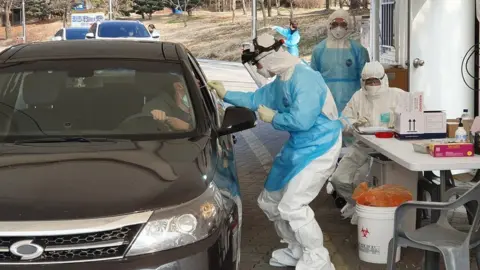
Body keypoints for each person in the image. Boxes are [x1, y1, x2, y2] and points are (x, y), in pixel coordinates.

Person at [208, 33, 342, 270]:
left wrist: (275, 118)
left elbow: (303, 121)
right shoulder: (282, 79)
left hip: (321, 145)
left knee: (293, 205)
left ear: (269, 57)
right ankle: (296, 248)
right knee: (270, 201)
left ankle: (318, 258)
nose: (258, 69)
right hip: (299, 145)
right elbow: (256, 98)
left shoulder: (305, 78)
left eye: (257, 63)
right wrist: (225, 94)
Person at [330, 61, 408, 223]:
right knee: (339, 178)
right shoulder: (358, 96)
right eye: (368, 82)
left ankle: (368, 212)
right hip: (362, 147)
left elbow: (415, 117)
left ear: (384, 79)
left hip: (388, 150)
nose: (372, 85)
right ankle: (358, 205)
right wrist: (353, 123)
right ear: (362, 82)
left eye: (375, 81)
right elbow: (344, 119)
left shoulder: (398, 95)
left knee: (362, 179)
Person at [310, 9, 370, 114]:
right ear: (329, 25)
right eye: (335, 24)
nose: (338, 28)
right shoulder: (319, 50)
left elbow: (366, 77)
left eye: (343, 24)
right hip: (326, 100)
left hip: (353, 99)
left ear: (349, 26)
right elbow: (313, 79)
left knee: (351, 127)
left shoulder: (358, 50)